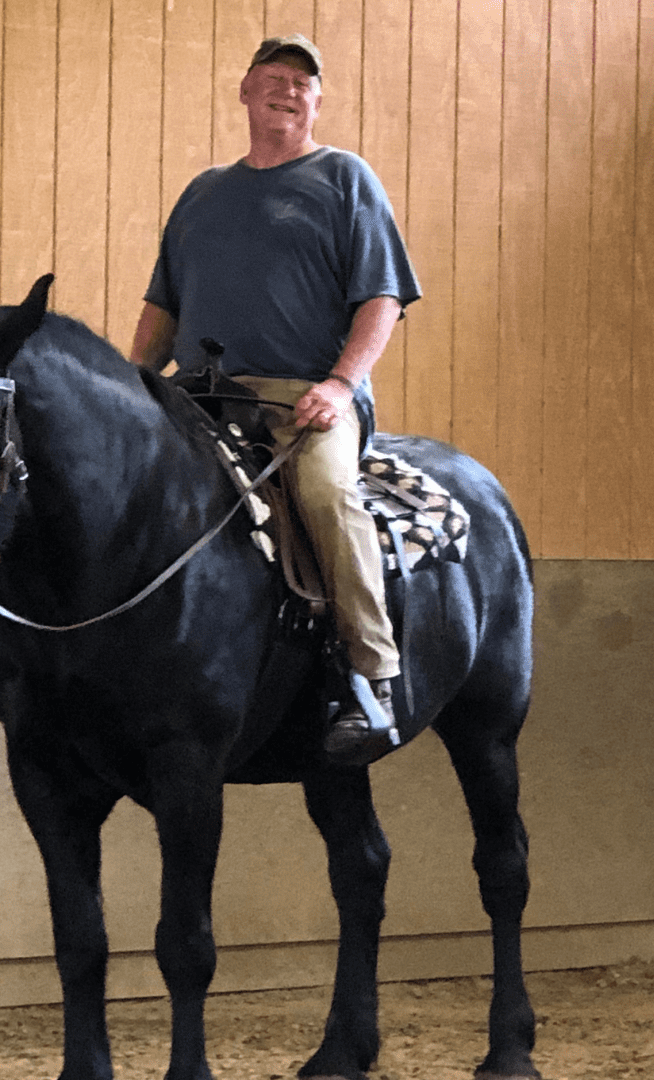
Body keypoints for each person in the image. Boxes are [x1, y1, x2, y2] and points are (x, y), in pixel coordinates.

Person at [127, 33, 421, 766]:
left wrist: (340, 386)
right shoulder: (203, 193)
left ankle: (373, 675)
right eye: (275, 77)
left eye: (303, 82)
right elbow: (163, 306)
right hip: (197, 395)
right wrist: (131, 382)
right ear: (245, 90)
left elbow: (382, 300)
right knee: (98, 478)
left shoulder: (345, 179)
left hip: (304, 401)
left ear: (317, 102)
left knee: (326, 496)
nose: (288, 89)